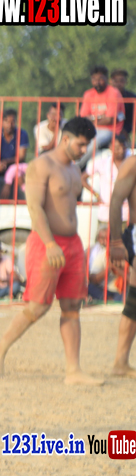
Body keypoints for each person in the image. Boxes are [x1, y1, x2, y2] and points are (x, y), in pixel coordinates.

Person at [0, 117, 101, 385]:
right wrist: (50, 244)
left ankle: (73, 370)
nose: (84, 150)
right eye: (81, 144)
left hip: (73, 244)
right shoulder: (41, 165)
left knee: (72, 307)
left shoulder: (74, 170)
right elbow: (34, 207)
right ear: (65, 139)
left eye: (87, 145)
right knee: (38, 306)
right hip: (46, 242)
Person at [105, 143, 136, 376]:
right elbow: (116, 201)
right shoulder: (132, 164)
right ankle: (120, 362)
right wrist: (116, 241)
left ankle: (120, 362)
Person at [78, 65, 124, 168]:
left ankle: (77, 166)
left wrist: (92, 118)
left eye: (100, 79)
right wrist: (100, 117)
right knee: (78, 139)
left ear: (106, 79)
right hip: (91, 128)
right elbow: (83, 118)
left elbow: (109, 120)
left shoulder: (113, 93)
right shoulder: (88, 94)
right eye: (94, 79)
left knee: (95, 142)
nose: (97, 82)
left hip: (110, 130)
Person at [0, 109, 29, 198]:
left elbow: (21, 157)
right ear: (2, 122)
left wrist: (6, 162)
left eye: (12, 122)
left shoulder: (22, 134)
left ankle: (24, 195)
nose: (10, 125)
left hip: (15, 167)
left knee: (18, 171)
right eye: (7, 121)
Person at [110, 69, 136, 140]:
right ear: (111, 81)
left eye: (121, 81)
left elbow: (132, 119)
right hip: (107, 129)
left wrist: (126, 130)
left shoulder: (132, 98)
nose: (118, 84)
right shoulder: (105, 96)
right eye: (116, 81)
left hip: (124, 130)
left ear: (126, 82)